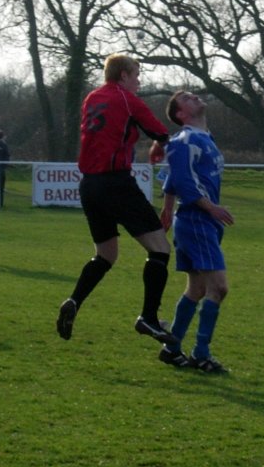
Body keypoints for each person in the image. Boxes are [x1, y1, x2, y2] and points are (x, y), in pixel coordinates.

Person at [57, 53, 178, 345]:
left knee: (106, 255)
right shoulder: (126, 99)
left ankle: (74, 300)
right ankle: (148, 317)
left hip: (89, 185)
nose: (138, 81)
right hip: (115, 182)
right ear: (123, 75)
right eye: (136, 74)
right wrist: (159, 145)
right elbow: (161, 133)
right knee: (160, 249)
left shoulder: (92, 98)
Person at [158, 91, 234, 373]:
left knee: (198, 288)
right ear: (181, 114)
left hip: (200, 223)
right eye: (187, 98)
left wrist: (166, 210)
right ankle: (201, 354)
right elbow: (180, 180)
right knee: (219, 288)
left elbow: (170, 179)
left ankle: (171, 346)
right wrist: (210, 208)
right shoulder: (185, 139)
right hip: (197, 221)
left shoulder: (203, 139)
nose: (196, 97)